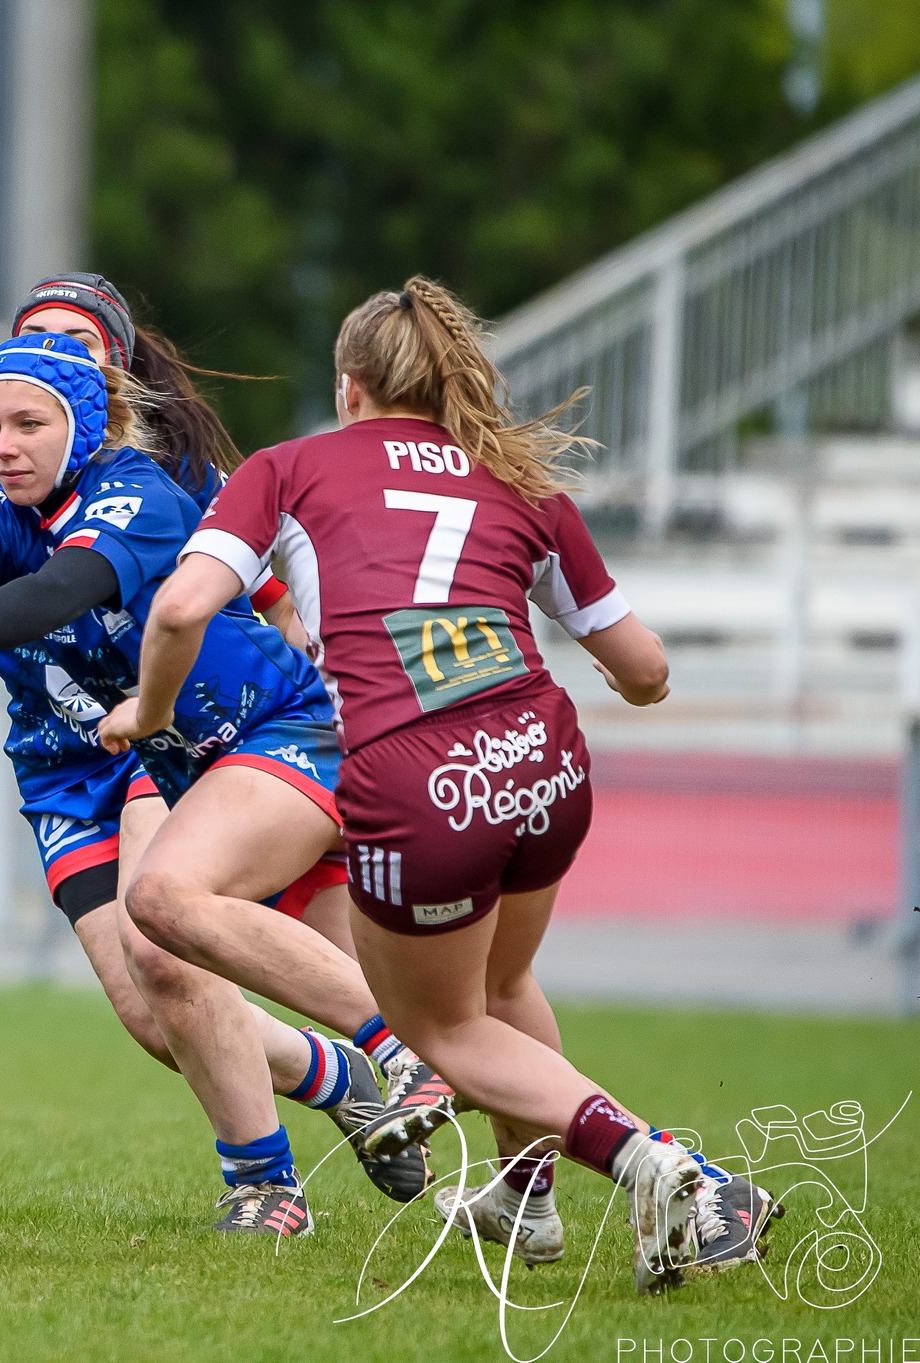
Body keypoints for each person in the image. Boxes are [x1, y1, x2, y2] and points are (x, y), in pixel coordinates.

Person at [102, 276, 779, 1289]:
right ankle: (525, 1197)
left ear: (349, 387)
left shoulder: (289, 468)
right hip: (543, 757)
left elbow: (174, 612)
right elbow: (643, 669)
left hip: (415, 775)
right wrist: (616, 683)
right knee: (501, 986)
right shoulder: (519, 480)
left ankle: (675, 1173)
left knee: (442, 1027)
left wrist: (151, 713)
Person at [0, 332, 445, 1234]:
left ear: (89, 419)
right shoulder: (8, 502)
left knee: (167, 918)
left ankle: (387, 1068)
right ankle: (318, 1116)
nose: (5, 443)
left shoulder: (138, 490)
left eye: (29, 422)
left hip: (267, 726)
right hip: (129, 755)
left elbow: (68, 588)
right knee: (153, 1004)